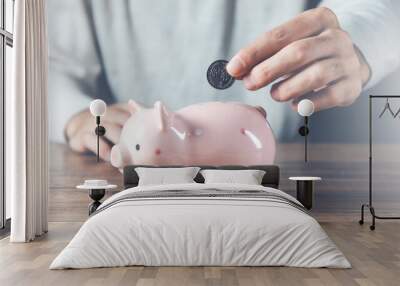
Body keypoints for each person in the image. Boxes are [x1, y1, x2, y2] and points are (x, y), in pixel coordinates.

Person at [48, 0, 400, 161]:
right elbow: (49, 60)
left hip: (288, 146)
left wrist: (355, 37)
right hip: (121, 135)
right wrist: (75, 114)